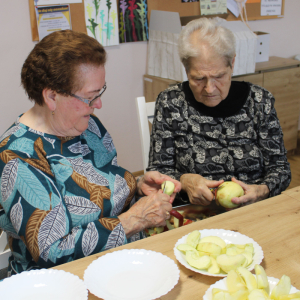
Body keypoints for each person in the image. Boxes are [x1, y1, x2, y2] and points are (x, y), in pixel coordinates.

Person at [0, 30, 181, 276]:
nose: (98, 104)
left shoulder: (88, 127)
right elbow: (52, 253)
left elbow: (100, 193)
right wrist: (134, 220)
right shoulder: (17, 157)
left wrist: (137, 187)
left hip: (118, 264)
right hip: (61, 283)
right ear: (52, 96)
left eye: (100, 92)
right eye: (89, 97)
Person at [147, 18, 291, 207]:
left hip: (253, 210)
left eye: (219, 76)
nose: (209, 89)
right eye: (199, 78)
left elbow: (280, 169)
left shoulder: (259, 101)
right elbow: (157, 173)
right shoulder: (170, 103)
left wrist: (262, 190)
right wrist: (184, 182)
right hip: (195, 212)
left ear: (232, 63)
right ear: (186, 69)